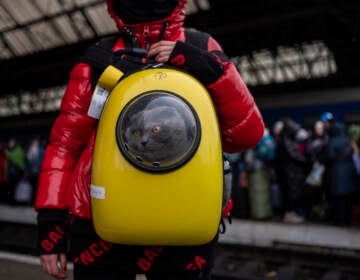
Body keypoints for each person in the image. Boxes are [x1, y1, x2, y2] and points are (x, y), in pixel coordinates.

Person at [35, 1, 264, 279]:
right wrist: (51, 225)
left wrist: (211, 70)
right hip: (101, 219)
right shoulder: (98, 59)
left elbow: (246, 134)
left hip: (184, 216)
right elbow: (66, 145)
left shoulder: (201, 49)